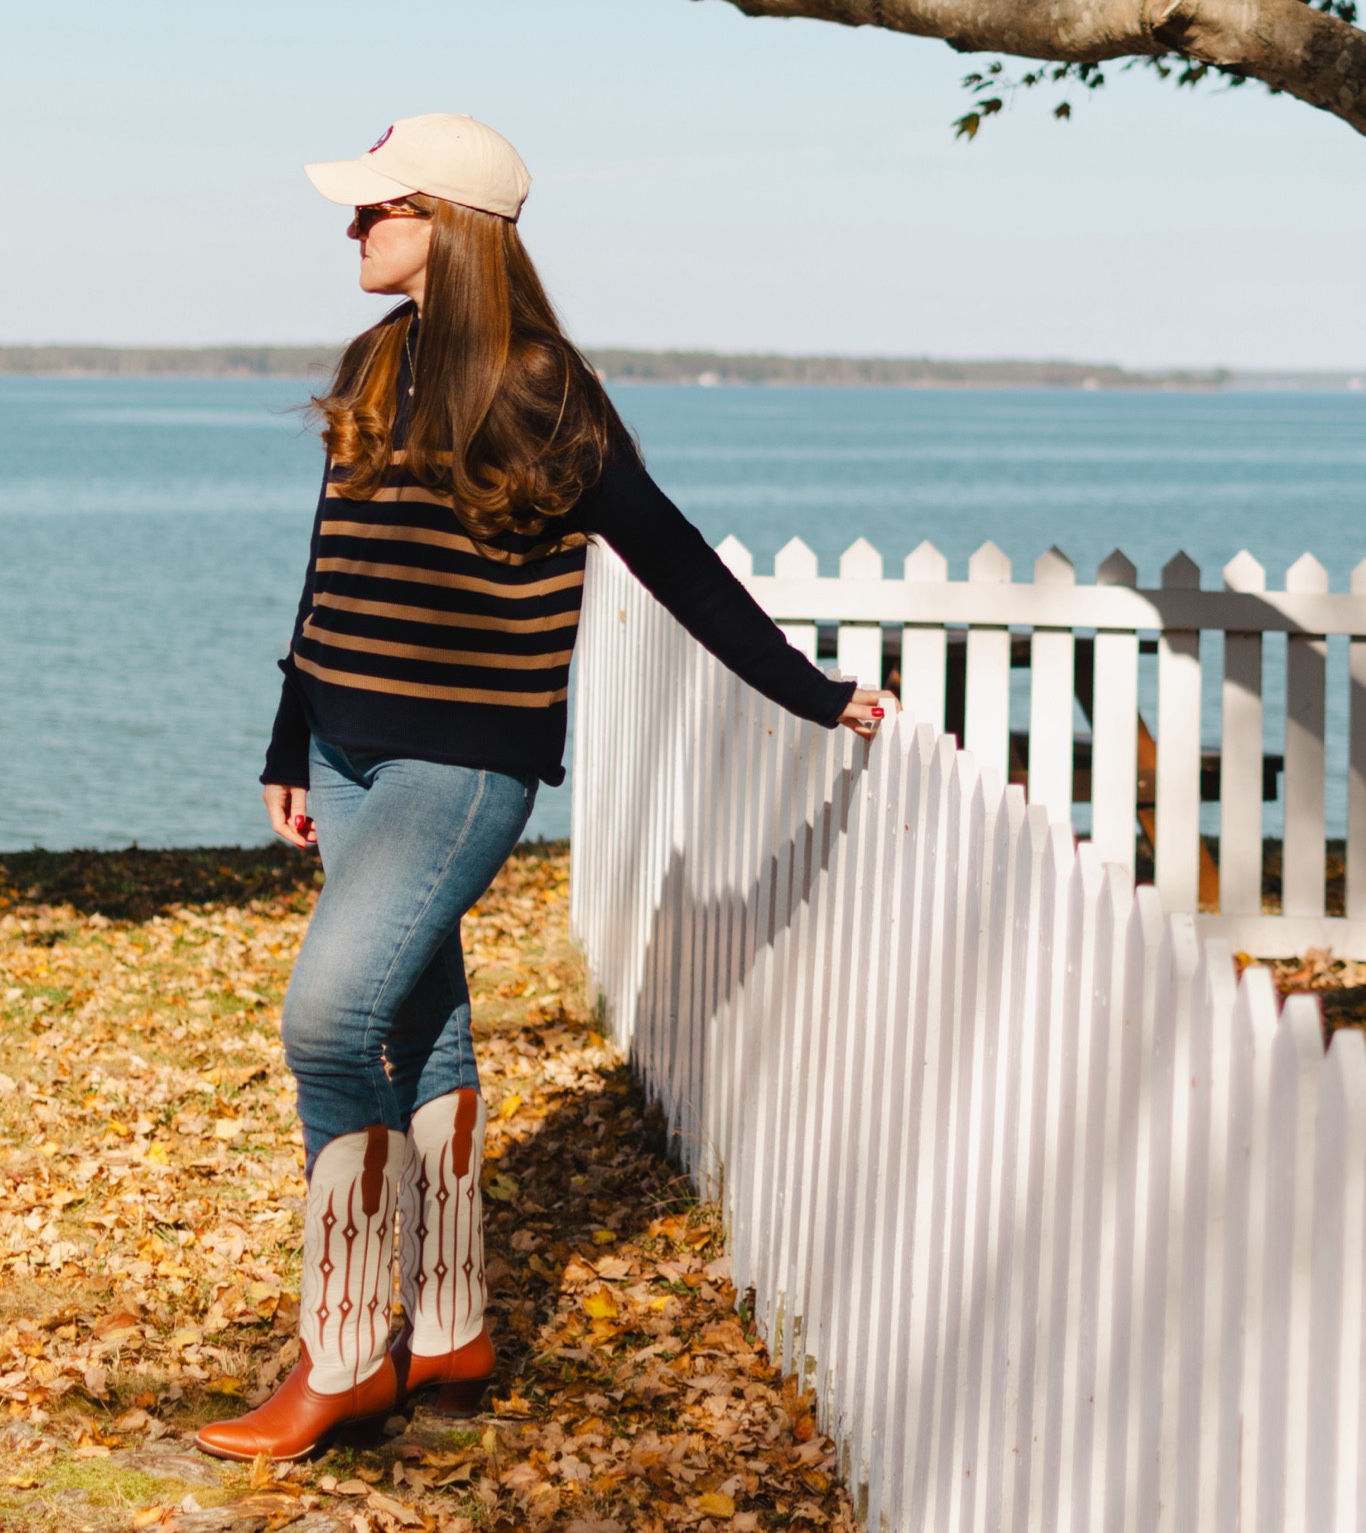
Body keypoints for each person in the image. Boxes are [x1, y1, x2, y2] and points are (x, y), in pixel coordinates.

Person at [195, 113, 888, 1461]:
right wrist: (292, 741)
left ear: (447, 226)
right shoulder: (376, 359)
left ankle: (342, 1355)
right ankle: (448, 1323)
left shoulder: (539, 387)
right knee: (421, 1030)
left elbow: (669, 554)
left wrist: (810, 694)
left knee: (330, 1030)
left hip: (459, 769)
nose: (349, 228)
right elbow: (329, 574)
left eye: (374, 209)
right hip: (345, 750)